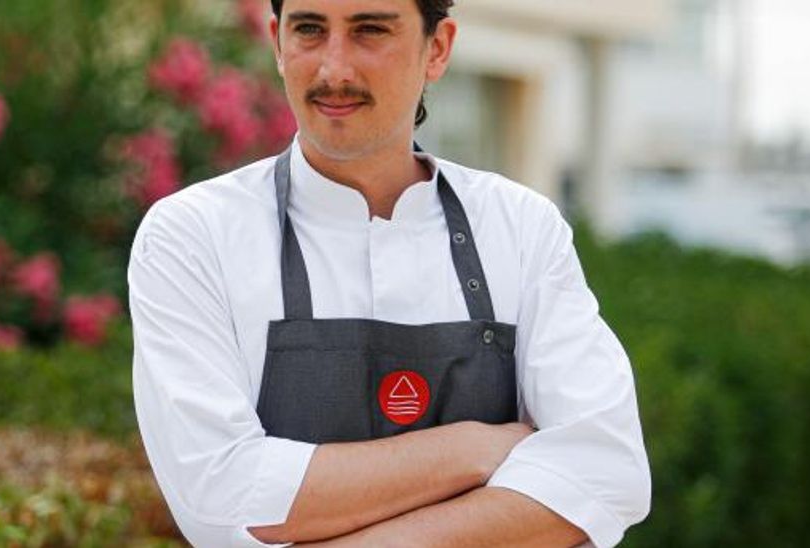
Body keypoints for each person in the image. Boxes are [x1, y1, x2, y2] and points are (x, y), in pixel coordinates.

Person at [127, 0, 651, 545]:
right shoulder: (191, 237)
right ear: (277, 43)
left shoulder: (521, 229)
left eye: (369, 30)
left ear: (438, 48)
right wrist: (471, 449)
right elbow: (220, 493)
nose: (334, 70)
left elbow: (609, 471)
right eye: (309, 30)